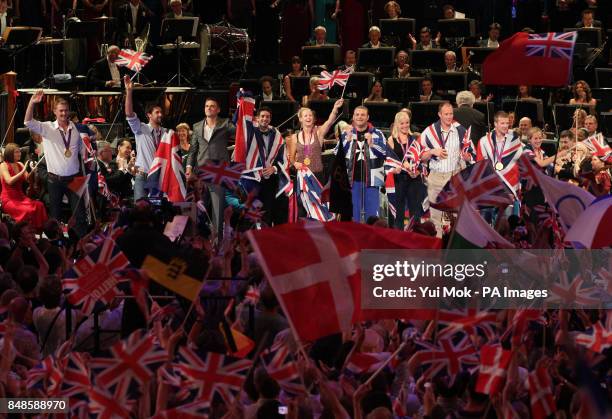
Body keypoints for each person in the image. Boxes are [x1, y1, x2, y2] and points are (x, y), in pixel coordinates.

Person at [24, 91, 88, 237]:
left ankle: (81, 247)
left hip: (75, 178)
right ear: (54, 112)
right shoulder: (47, 128)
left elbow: (81, 150)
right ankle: (57, 246)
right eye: (61, 110)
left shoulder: (76, 129)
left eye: (66, 110)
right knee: (55, 217)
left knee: (80, 215)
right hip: (55, 180)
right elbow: (27, 122)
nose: (64, 113)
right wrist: (32, 103)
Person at [420, 101, 471, 236]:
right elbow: (420, 157)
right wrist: (432, 152)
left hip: (454, 177)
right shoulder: (429, 132)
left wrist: (467, 157)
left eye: (451, 114)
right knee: (436, 219)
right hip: (436, 177)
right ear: (439, 115)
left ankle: (452, 249)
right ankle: (438, 249)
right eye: (446, 114)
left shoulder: (460, 131)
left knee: (454, 217)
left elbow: (469, 153)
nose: (449, 117)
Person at [186, 98, 234, 236]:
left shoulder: (225, 124)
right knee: (198, 208)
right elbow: (193, 150)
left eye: (212, 106)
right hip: (200, 172)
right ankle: (197, 240)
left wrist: (243, 111)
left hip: (218, 172)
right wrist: (189, 167)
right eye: (206, 106)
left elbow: (239, 131)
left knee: (217, 211)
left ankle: (217, 243)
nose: (209, 108)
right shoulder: (196, 126)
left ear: (218, 110)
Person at [287, 99, 343, 217]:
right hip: (302, 177)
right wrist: (295, 163)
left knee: (320, 207)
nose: (308, 117)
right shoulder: (294, 137)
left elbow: (329, 122)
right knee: (303, 208)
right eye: (305, 115)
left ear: (313, 118)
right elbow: (291, 158)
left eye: (310, 115)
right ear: (300, 119)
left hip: (318, 176)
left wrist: (335, 109)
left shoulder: (319, 132)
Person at [338, 106, 386, 222]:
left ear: (367, 117)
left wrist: (372, 145)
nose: (360, 117)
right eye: (357, 114)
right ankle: (355, 239)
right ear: (353, 117)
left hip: (373, 180)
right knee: (354, 215)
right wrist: (347, 141)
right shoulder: (346, 133)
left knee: (372, 215)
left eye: (363, 115)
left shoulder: (377, 133)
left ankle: (372, 239)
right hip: (351, 180)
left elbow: (385, 153)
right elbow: (336, 154)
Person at [124, 74, 167, 201]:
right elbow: (129, 113)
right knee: (140, 210)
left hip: (159, 177)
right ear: (149, 115)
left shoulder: (165, 133)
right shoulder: (141, 128)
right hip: (142, 176)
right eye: (157, 112)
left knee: (157, 211)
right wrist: (129, 91)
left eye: (161, 112)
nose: (160, 115)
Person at [243, 106, 289, 226]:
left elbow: (283, 158)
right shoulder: (250, 132)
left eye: (267, 116)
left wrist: (273, 168)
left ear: (270, 118)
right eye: (262, 116)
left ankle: (265, 238)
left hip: (270, 180)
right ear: (257, 118)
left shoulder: (276, 134)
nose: (265, 119)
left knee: (267, 210)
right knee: (251, 209)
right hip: (253, 179)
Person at [387, 111, 426, 228]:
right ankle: (398, 239)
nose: (405, 125)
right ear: (396, 124)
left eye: (407, 123)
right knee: (399, 213)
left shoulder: (415, 138)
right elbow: (389, 160)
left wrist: (418, 171)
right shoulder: (391, 140)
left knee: (415, 213)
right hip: (399, 179)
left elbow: (422, 158)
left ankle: (416, 237)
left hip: (414, 179)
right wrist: (397, 168)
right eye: (402, 123)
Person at [0, 144, 47, 231]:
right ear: (10, 153)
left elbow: (28, 179)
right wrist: (24, 169)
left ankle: (37, 232)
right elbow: (9, 181)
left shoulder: (20, 164)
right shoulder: (3, 165)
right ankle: (25, 233)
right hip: (9, 199)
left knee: (39, 205)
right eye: (17, 152)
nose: (19, 154)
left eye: (19, 151)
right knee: (27, 210)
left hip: (21, 197)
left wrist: (33, 170)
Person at [477, 111, 523, 195]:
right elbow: (481, 164)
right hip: (492, 185)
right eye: (502, 123)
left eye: (507, 123)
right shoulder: (484, 141)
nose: (505, 126)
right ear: (495, 124)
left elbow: (520, 160)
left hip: (511, 183)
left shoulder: (514, 140)